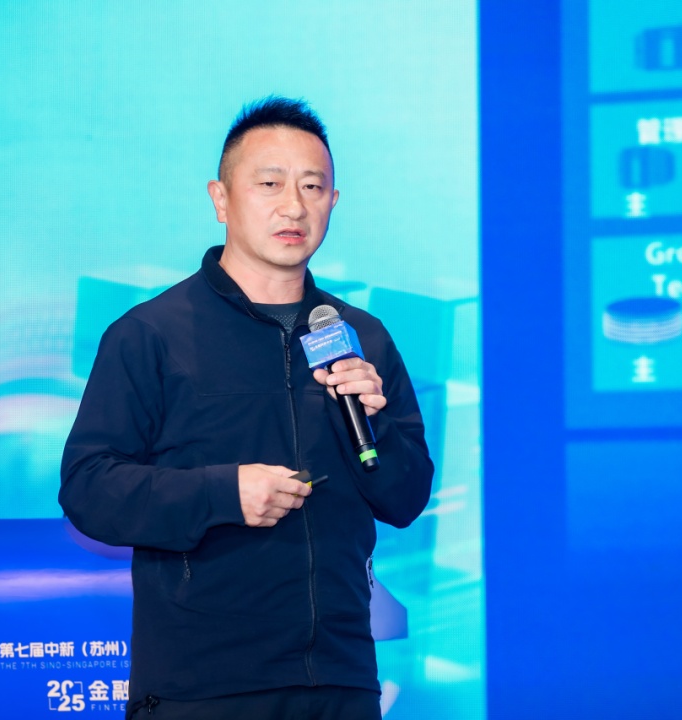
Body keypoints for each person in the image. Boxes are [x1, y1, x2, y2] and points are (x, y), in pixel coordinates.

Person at [60, 96, 434, 720]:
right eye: (270, 184)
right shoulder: (151, 335)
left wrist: (376, 427)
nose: (294, 206)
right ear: (221, 198)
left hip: (339, 680)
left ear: (333, 202)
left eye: (313, 187)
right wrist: (222, 494)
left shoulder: (360, 337)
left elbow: (407, 497)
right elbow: (88, 486)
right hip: (201, 687)